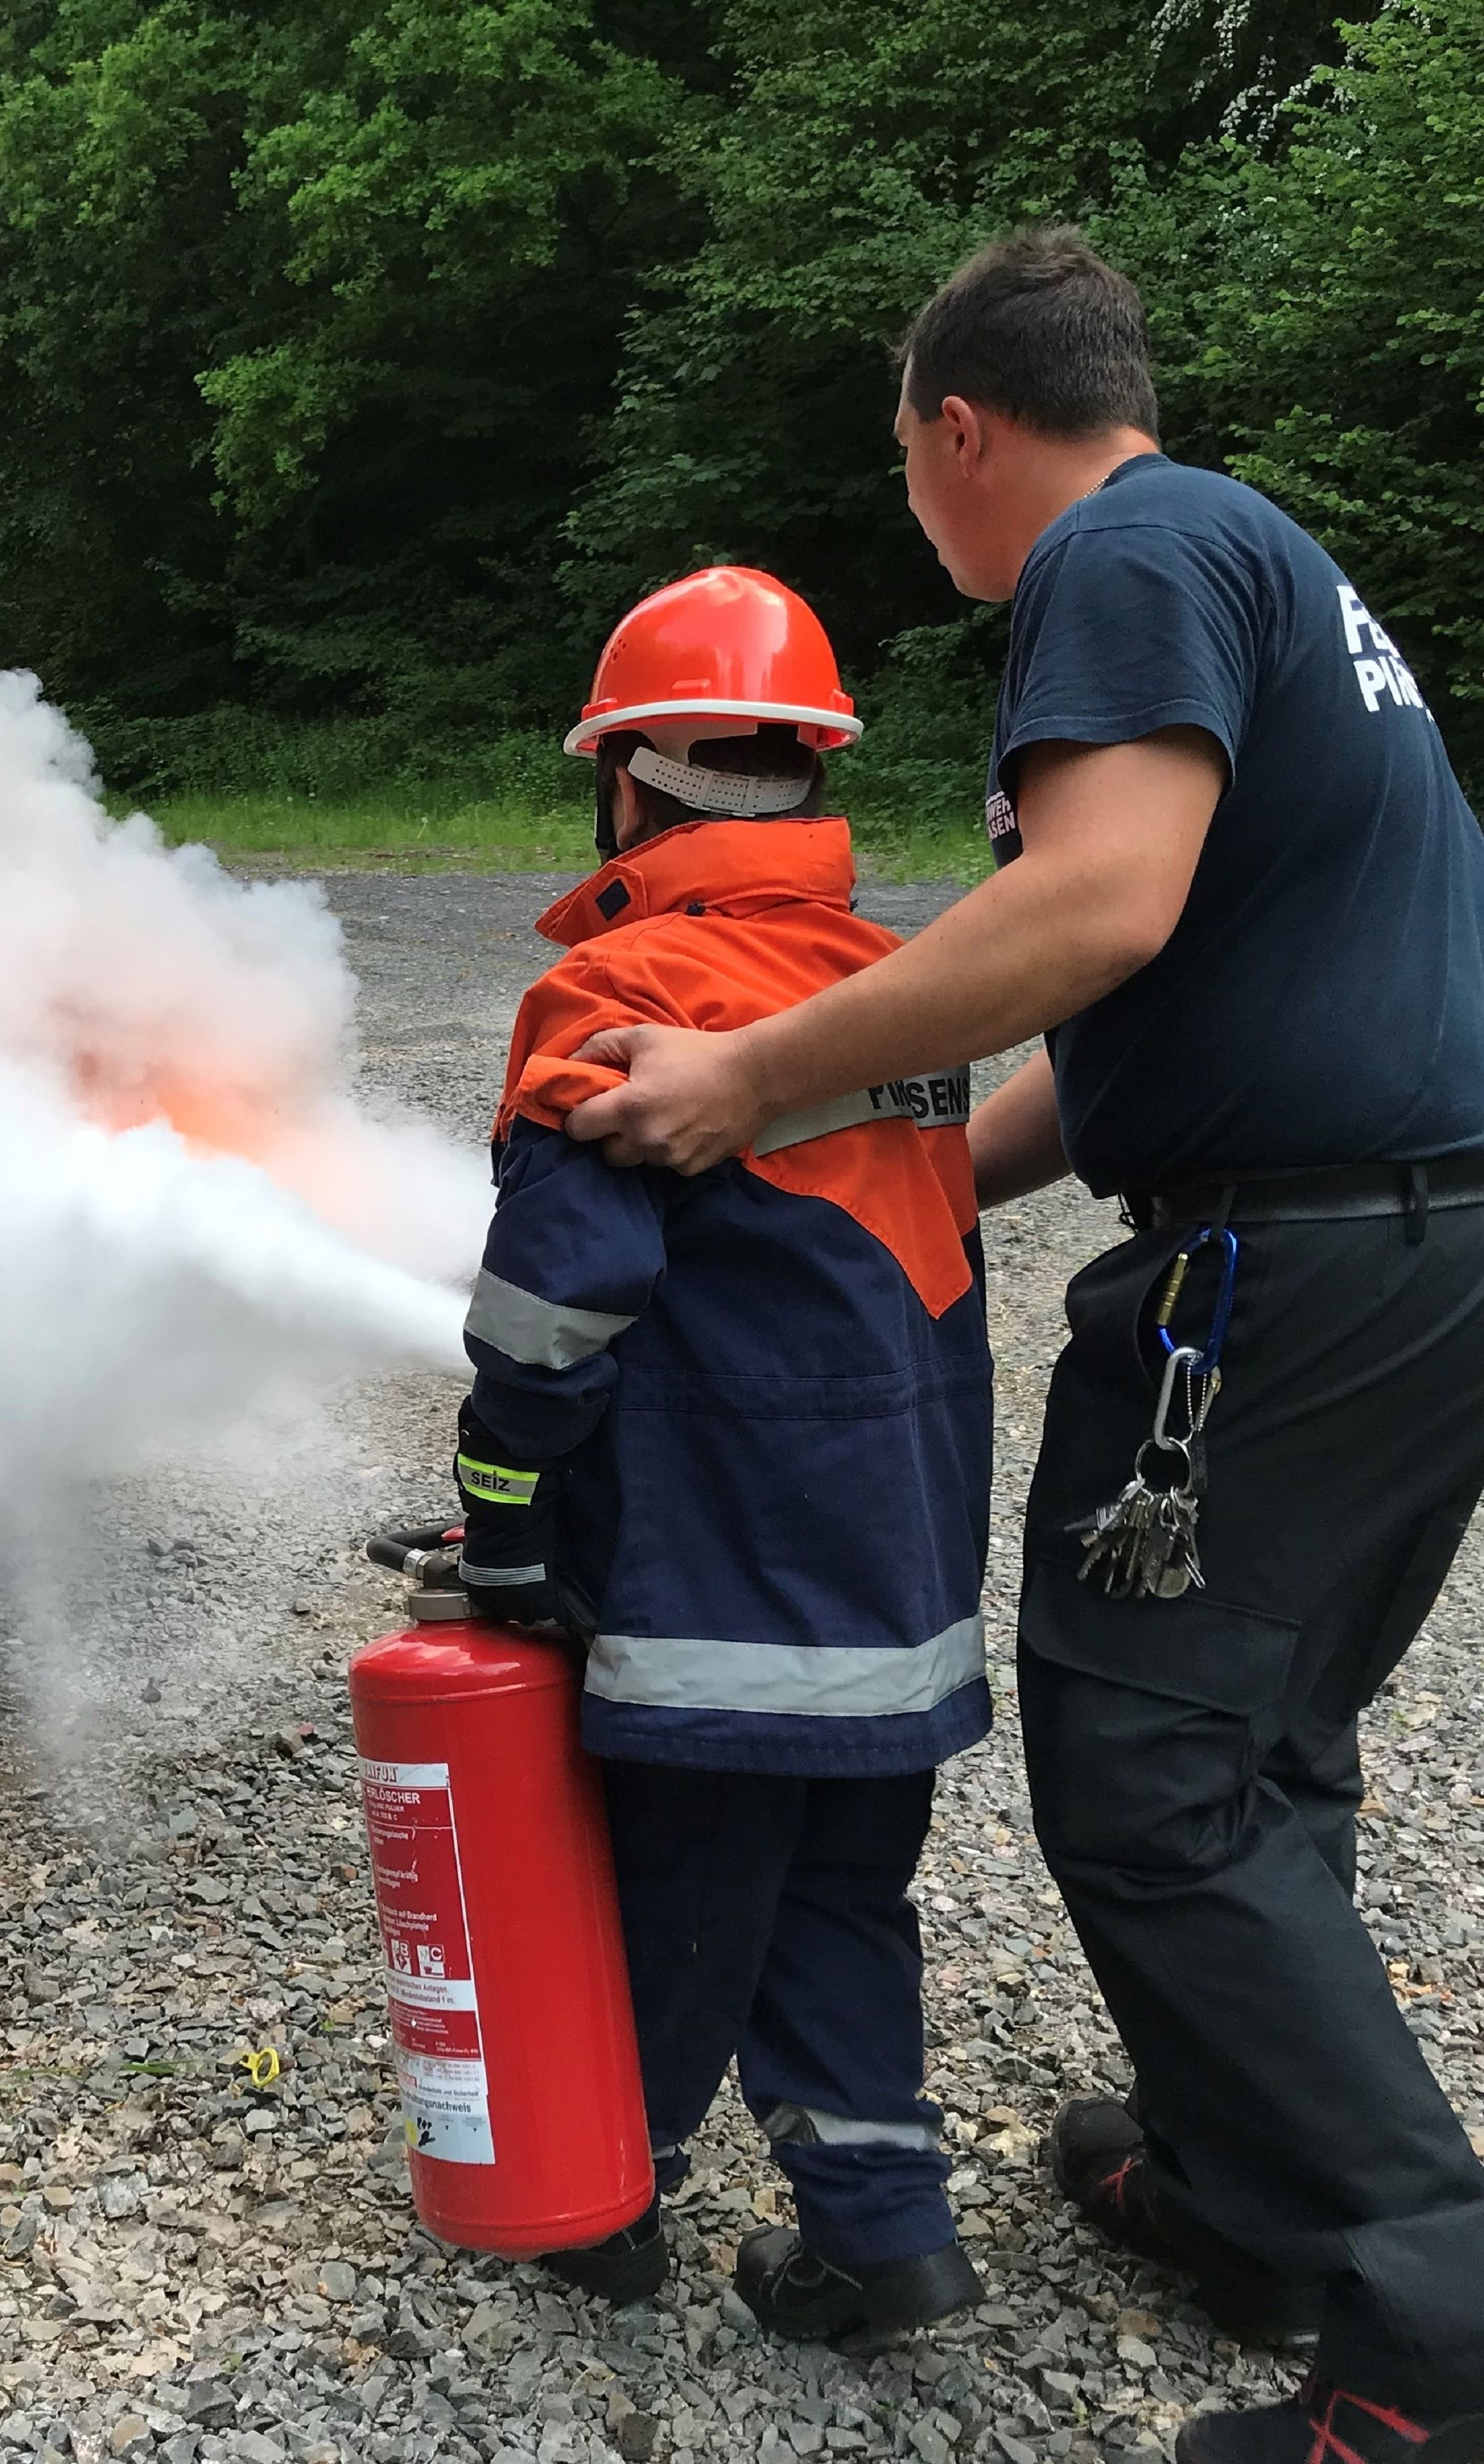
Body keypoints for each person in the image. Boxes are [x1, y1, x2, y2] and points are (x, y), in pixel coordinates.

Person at [559, 230, 1484, 2462]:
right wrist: (902, 1179)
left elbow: (1093, 908)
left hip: (1302, 1266)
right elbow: (1157, 1008)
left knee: (1155, 1767)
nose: (915, 510)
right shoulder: (1255, 552)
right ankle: (1257, 2203)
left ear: (963, 426)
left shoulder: (1124, 553)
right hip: (1412, 1235)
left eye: (905, 465)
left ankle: (1442, 2344)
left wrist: (753, 1081)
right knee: (1258, 1739)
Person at [449, 565, 995, 2340]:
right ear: (809, 771)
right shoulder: (891, 987)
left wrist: (507, 1520)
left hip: (715, 1590)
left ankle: (609, 2198)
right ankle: (882, 2225)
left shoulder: (615, 991)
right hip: (896, 1586)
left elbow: (560, 1306)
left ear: (629, 775)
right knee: (843, 1888)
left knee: (677, 1893)